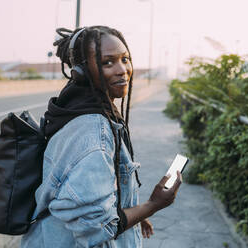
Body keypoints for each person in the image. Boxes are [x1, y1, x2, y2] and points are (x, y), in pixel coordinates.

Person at [21, 25, 182, 248]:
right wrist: (153, 205)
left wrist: (134, 212)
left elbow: (92, 190)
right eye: (107, 62)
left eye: (125, 59)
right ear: (82, 72)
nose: (122, 69)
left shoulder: (74, 107)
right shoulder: (94, 132)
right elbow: (95, 227)